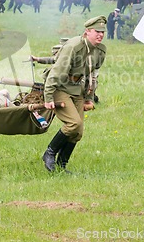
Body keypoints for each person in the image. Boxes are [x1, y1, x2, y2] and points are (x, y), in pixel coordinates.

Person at [41, 16, 107, 172]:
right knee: (73, 124)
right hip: (60, 86)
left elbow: (92, 76)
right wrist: (48, 97)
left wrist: (89, 98)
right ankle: (49, 153)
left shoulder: (100, 50)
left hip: (77, 89)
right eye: (97, 31)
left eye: (102, 32)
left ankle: (61, 166)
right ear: (87, 32)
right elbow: (56, 72)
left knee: (78, 132)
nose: (100, 35)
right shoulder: (74, 46)